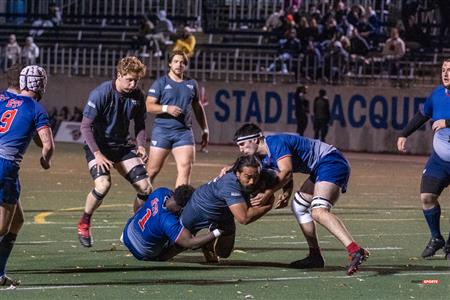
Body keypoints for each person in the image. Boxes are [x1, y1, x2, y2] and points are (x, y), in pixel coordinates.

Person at [232, 123, 369, 276]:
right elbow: (283, 171)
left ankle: (355, 250)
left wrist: (268, 193)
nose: (241, 149)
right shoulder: (263, 156)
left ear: (256, 140)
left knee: (318, 211)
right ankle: (315, 256)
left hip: (331, 161)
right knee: (299, 205)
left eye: (243, 144)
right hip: (320, 166)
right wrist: (286, 191)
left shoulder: (275, 143)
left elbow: (287, 171)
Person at [77, 56, 152, 248]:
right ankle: (84, 222)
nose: (133, 84)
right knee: (103, 184)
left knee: (145, 188)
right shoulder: (101, 93)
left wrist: (141, 145)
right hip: (98, 146)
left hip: (122, 146)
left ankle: (134, 228)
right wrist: (98, 154)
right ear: (119, 75)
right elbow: (85, 127)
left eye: (137, 80)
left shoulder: (138, 95)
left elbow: (141, 124)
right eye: (129, 79)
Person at [0, 65, 54, 287]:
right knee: (2, 228)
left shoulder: (2, 100)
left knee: (18, 220)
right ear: (40, 85)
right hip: (5, 167)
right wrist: (45, 160)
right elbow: (48, 145)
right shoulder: (36, 108)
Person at [397, 58, 450, 260]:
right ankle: (436, 238)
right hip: (439, 160)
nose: (445, 73)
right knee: (427, 197)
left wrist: (448, 122)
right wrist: (404, 134)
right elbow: (422, 115)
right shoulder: (437, 94)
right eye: (443, 69)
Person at [180, 155, 278, 262]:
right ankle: (204, 239)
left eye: (255, 177)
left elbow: (286, 175)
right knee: (171, 249)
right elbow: (244, 219)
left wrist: (276, 193)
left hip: (223, 212)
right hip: (199, 208)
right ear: (237, 173)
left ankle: (207, 243)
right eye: (248, 177)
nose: (252, 181)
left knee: (223, 252)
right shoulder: (229, 184)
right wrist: (269, 205)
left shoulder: (264, 174)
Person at [146, 50, 209, 188]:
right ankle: (141, 207)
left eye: (182, 62)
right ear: (169, 63)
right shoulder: (160, 83)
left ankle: (177, 207)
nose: (179, 64)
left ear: (185, 65)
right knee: (152, 171)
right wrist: (166, 108)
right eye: (175, 61)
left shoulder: (191, 84)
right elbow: (149, 106)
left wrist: (205, 129)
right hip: (162, 132)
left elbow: (197, 107)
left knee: (185, 168)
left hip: (184, 132)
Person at [122, 185, 224, 261]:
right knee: (188, 227)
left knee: (145, 207)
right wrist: (218, 232)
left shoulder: (162, 192)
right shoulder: (167, 221)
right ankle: (207, 249)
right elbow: (190, 243)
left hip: (127, 232)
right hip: (142, 253)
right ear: (183, 206)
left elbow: (142, 202)